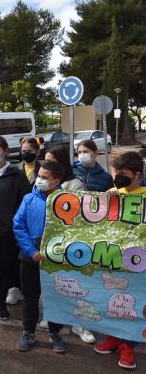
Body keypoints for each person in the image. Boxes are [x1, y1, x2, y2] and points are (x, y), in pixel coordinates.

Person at [94, 151, 145, 370]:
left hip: (137, 262)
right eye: (116, 173)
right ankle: (113, 338)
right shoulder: (114, 193)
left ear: (137, 175)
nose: (117, 178)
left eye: (122, 174)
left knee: (131, 304)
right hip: (113, 258)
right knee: (111, 299)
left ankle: (128, 346)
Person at [43, 145, 95, 343]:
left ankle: (80, 324)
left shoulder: (75, 184)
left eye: (52, 162)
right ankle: (55, 316)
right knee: (54, 282)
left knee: (75, 284)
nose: (47, 165)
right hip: (50, 241)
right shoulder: (42, 183)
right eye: (45, 160)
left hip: (71, 242)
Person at [13, 161, 66, 354]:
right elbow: (18, 225)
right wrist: (31, 250)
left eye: (45, 178)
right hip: (30, 256)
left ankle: (55, 333)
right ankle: (28, 331)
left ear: (56, 181)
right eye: (39, 176)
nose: (39, 180)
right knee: (29, 296)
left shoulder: (67, 201)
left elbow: (74, 230)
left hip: (55, 258)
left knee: (55, 297)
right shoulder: (28, 198)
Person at [0, 136, 31, 320]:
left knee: (4, 270)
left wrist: (15, 226)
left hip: (6, 233)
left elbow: (24, 204)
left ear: (5, 151)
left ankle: (0, 302)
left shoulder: (16, 175)